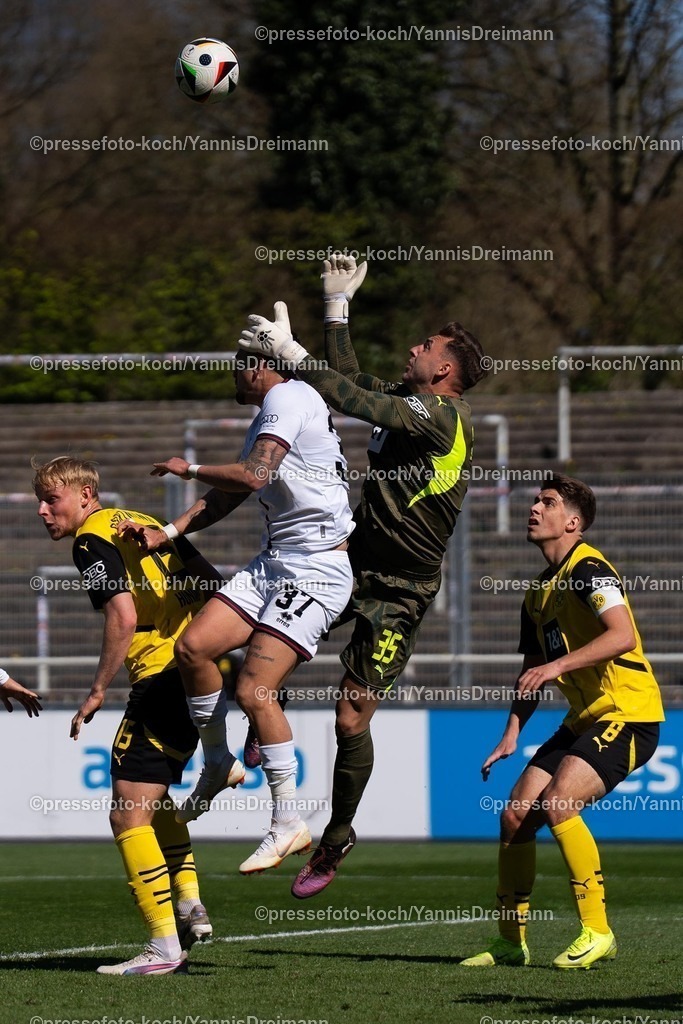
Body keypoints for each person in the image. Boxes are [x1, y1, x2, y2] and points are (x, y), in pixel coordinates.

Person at [238, 254, 488, 898]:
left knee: (351, 718)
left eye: (425, 345)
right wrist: (335, 310)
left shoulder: (443, 418)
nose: (414, 346)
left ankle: (337, 834)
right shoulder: (411, 402)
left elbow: (348, 397)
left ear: (445, 369)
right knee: (267, 632)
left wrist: (291, 351)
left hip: (398, 594)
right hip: (349, 562)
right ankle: (262, 724)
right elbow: (348, 381)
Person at [117, 353, 355, 875]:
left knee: (253, 690)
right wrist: (169, 533)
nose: (232, 373)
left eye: (238, 363)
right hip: (277, 562)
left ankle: (288, 821)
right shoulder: (269, 414)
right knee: (193, 648)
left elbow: (252, 476)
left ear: (259, 367)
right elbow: (232, 494)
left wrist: (188, 467)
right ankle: (219, 760)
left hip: (317, 569)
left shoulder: (288, 397)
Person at [460, 475, 664, 970]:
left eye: (547, 502)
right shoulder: (536, 594)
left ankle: (597, 931)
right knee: (514, 816)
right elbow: (532, 670)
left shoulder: (589, 569)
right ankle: (511, 943)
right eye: (534, 500)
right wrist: (512, 732)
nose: (534, 508)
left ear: (572, 522)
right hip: (583, 721)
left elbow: (622, 635)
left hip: (629, 714)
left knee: (560, 804)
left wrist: (557, 667)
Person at [33, 456, 223, 976]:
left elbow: (123, 614)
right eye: (40, 500)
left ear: (86, 495)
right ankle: (189, 904)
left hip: (161, 680)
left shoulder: (91, 540)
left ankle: (163, 948)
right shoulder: (141, 521)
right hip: (195, 672)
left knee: (126, 812)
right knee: (149, 797)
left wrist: (97, 690)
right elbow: (210, 583)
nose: (43, 510)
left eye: (53, 499)